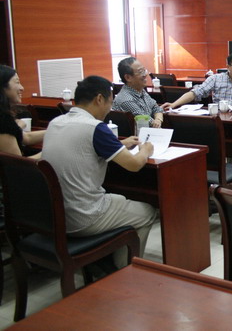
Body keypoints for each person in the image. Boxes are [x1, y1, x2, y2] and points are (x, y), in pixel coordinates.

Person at [41, 76, 156, 268]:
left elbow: (84, 147)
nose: (110, 108)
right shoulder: (95, 128)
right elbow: (134, 165)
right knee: (147, 212)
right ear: (99, 99)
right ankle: (125, 269)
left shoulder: (56, 122)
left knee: (119, 198)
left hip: (54, 215)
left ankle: (107, 262)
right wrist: (146, 150)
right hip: (83, 216)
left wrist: (119, 144)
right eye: (110, 102)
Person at [161, 52, 232, 111]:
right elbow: (195, 93)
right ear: (228, 67)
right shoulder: (215, 79)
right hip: (218, 119)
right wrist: (174, 104)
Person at [0, 65, 46, 156]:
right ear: (2, 87)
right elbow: (18, 163)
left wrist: (57, 131)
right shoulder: (3, 121)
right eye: (17, 82)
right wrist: (53, 150)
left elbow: (27, 137)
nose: (22, 88)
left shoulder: (4, 116)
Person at [112, 57, 164, 128]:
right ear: (128, 77)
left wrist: (158, 120)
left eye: (144, 70)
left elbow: (156, 108)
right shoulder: (126, 100)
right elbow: (145, 121)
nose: (145, 74)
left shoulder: (140, 90)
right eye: (140, 72)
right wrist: (156, 123)